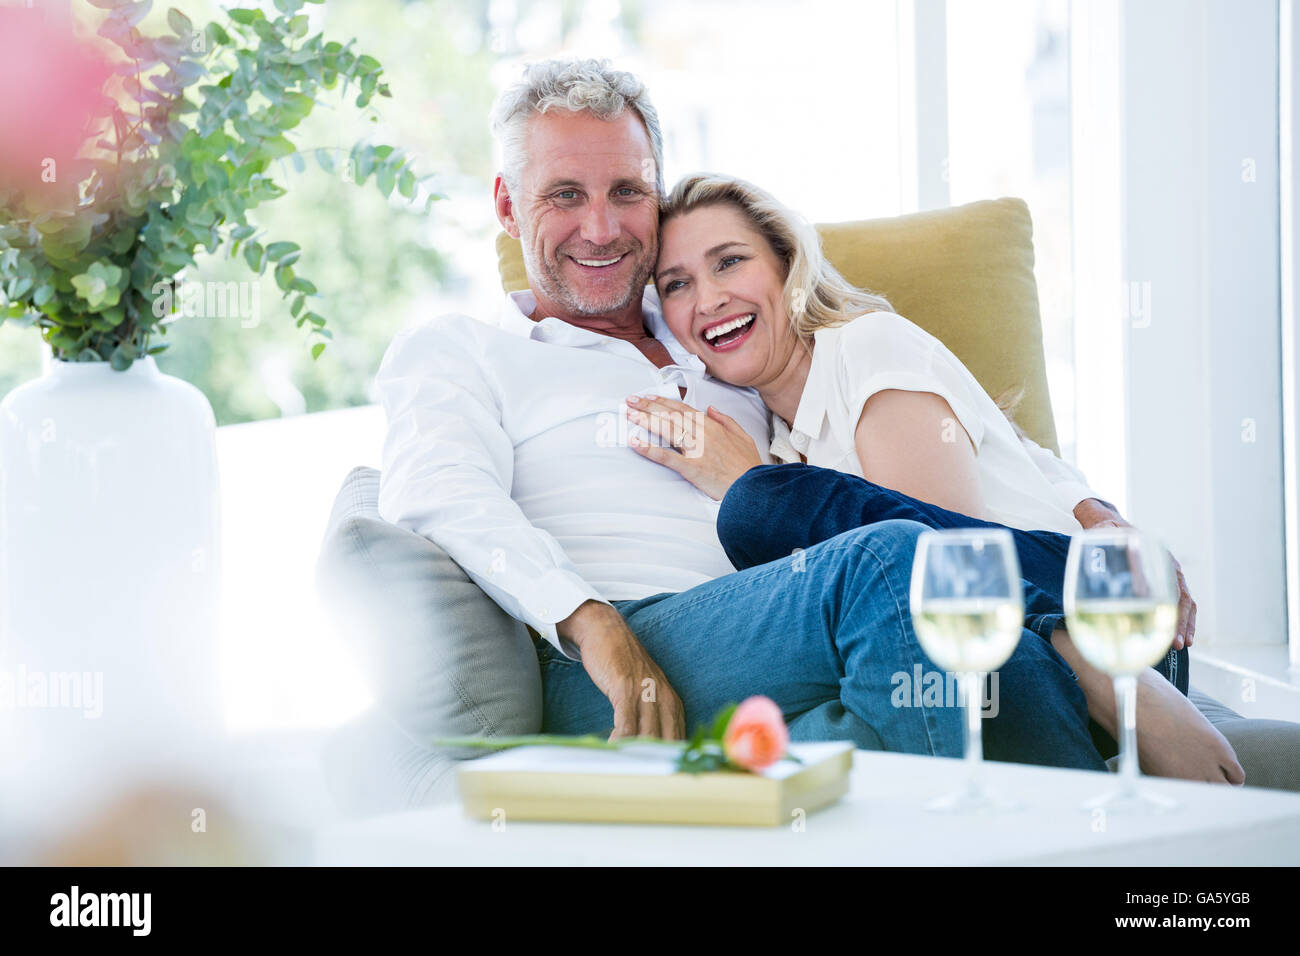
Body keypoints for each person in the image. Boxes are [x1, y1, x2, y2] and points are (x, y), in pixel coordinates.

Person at [374, 57, 1112, 773]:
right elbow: (437, 492)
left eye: (627, 192)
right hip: (610, 664)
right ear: (506, 205)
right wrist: (591, 621)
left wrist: (1087, 507)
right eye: (563, 194)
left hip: (799, 636)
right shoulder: (460, 350)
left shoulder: (716, 332)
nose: (599, 228)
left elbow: (926, 404)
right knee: (895, 563)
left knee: (965, 619)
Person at [628, 172, 1244, 783]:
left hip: (1098, 617)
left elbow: (942, 560)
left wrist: (751, 483)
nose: (707, 299)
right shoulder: (780, 440)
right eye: (677, 284)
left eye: (730, 262)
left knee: (761, 509)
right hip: (1020, 657)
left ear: (789, 265)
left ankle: (1086, 661)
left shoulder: (866, 347)